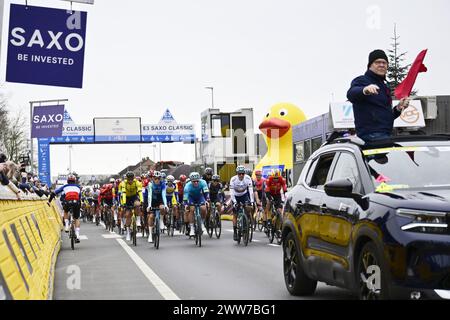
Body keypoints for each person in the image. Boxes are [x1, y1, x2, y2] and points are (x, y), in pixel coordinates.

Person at [347, 49, 411, 143]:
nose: (381, 65)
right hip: (369, 136)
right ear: (370, 65)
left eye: (384, 63)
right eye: (377, 62)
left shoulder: (384, 87)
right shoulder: (361, 81)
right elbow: (351, 94)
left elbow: (386, 116)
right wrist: (365, 90)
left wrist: (398, 108)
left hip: (386, 134)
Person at [48, 174, 82, 242]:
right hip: (76, 203)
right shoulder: (78, 187)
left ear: (67, 181)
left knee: (65, 211)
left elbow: (54, 193)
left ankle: (66, 225)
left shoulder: (65, 186)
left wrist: (49, 201)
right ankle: (77, 235)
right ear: (75, 181)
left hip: (67, 202)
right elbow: (79, 197)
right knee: (77, 218)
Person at [229, 165, 254, 241]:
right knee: (235, 214)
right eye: (239, 174)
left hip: (244, 195)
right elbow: (231, 192)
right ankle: (235, 232)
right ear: (237, 174)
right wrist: (235, 202)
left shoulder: (247, 178)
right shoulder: (233, 179)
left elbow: (250, 190)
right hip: (235, 196)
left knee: (248, 207)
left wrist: (252, 201)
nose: (241, 175)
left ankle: (247, 221)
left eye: (242, 173)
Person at [183, 172, 209, 237]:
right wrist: (186, 204)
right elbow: (185, 196)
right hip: (191, 197)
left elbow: (206, 192)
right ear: (191, 181)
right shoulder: (187, 186)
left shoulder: (203, 182)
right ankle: (191, 228)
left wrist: (207, 200)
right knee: (192, 209)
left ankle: (202, 223)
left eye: (197, 181)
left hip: (200, 196)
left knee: (203, 208)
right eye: (194, 181)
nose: (196, 183)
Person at [119, 171, 143, 241]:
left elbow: (140, 192)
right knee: (127, 215)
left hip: (134, 197)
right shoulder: (123, 183)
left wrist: (141, 200)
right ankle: (128, 233)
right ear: (127, 178)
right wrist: (123, 203)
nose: (130, 180)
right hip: (126, 198)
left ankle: (138, 220)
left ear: (133, 178)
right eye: (128, 178)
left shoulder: (137, 182)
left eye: (131, 178)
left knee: (137, 205)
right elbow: (123, 193)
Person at [146, 171, 167, 243]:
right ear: (153, 179)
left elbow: (164, 195)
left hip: (160, 200)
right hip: (152, 201)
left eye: (158, 178)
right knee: (151, 216)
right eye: (155, 178)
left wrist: (166, 205)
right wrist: (149, 205)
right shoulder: (150, 184)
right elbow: (149, 195)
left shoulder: (163, 184)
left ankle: (161, 220)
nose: (157, 180)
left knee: (162, 208)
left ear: (160, 179)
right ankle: (150, 235)